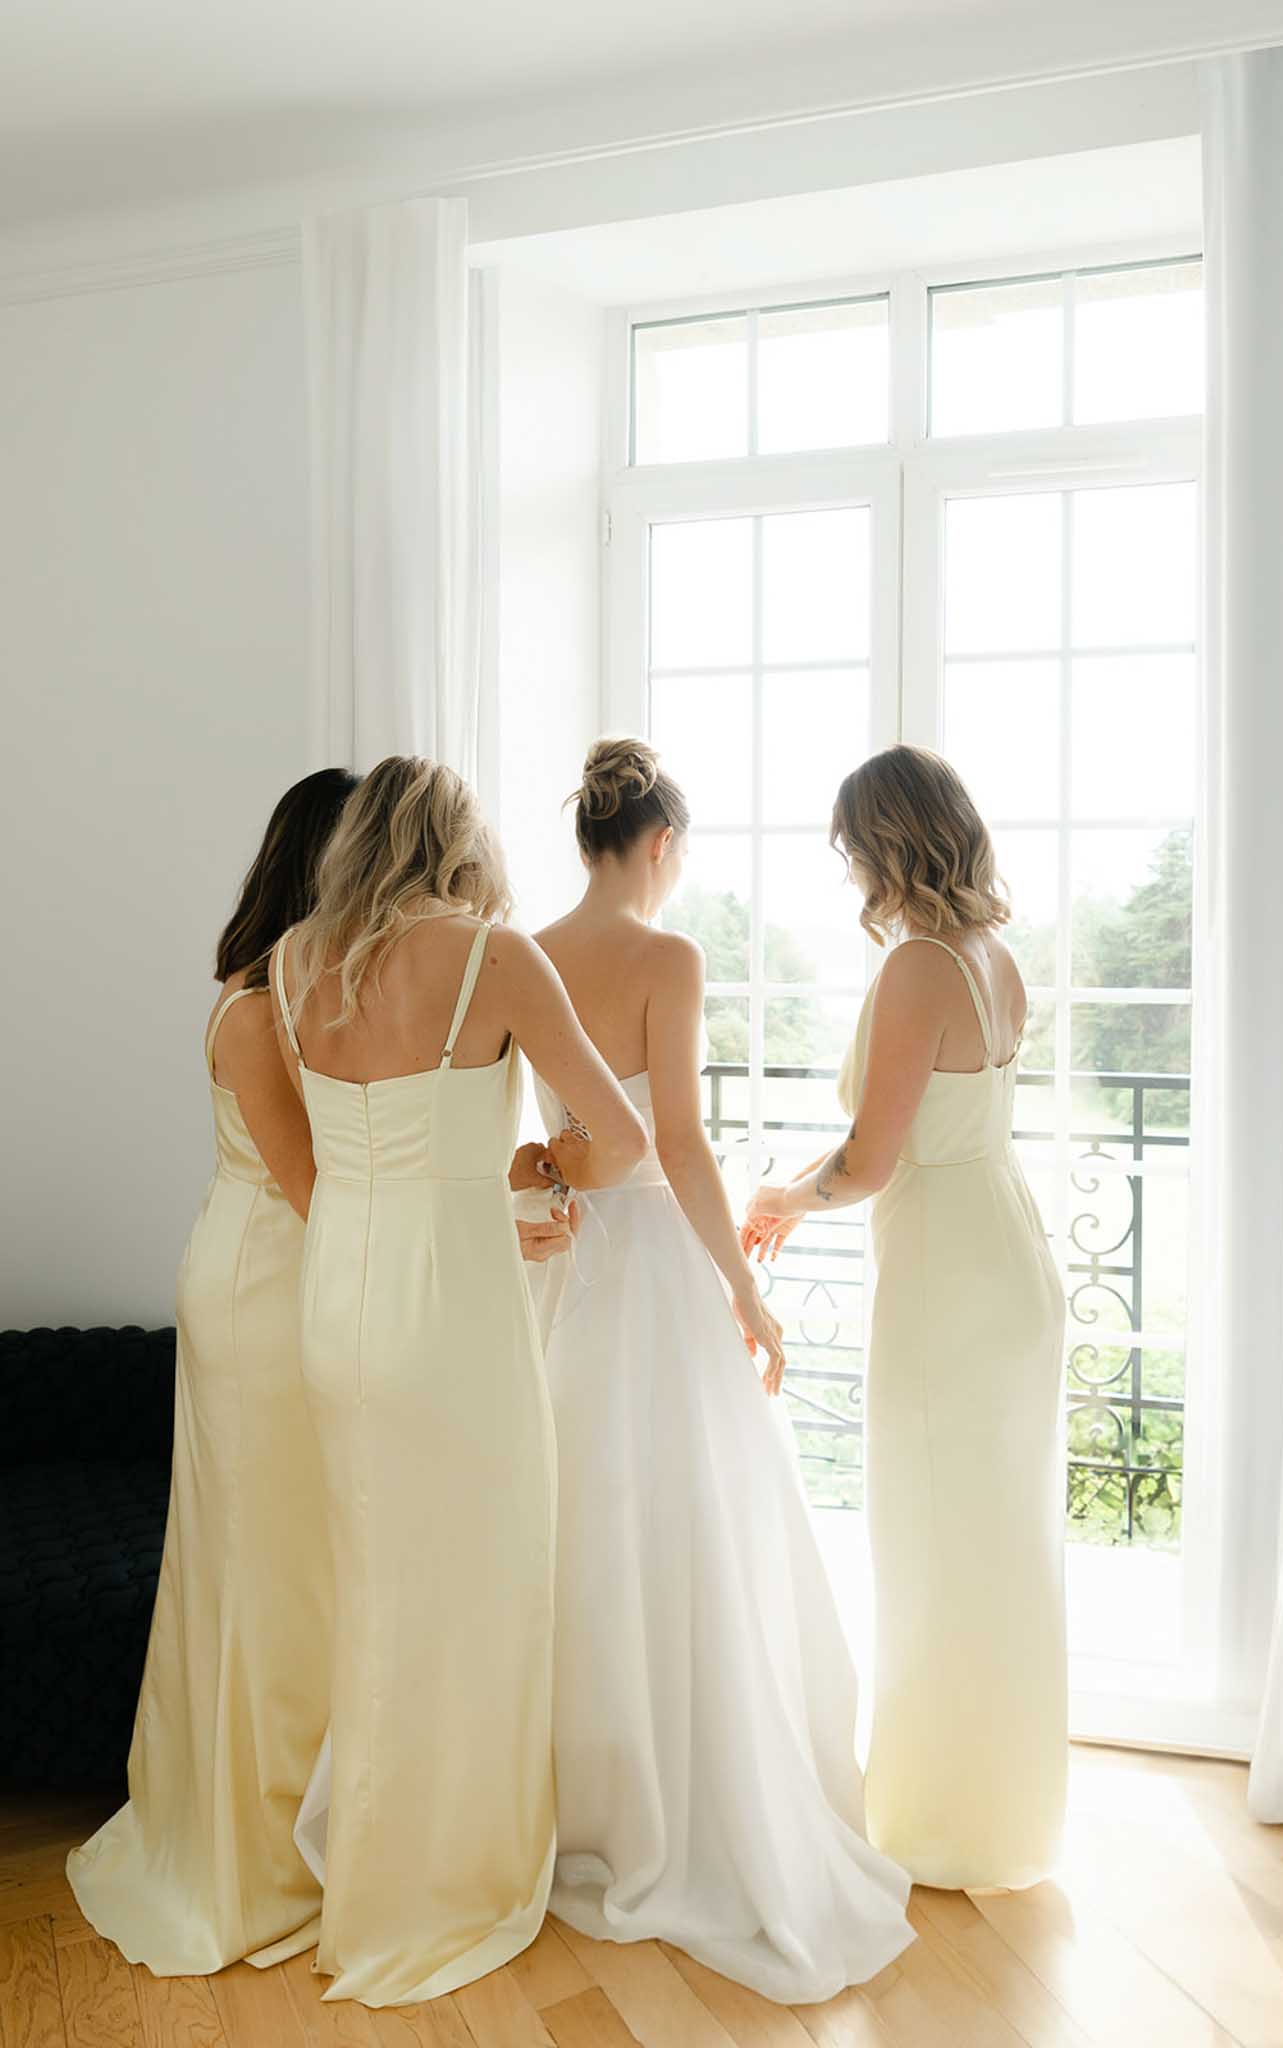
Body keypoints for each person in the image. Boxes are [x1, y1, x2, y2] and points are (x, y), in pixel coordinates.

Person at [522, 735, 914, 2003]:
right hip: (649, 1268)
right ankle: (679, 1804)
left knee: (576, 1524)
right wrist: (746, 1287)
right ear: (660, 846)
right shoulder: (666, 956)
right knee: (687, 1529)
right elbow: (676, 1141)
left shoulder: (525, 951)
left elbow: (555, 1141)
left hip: (563, 1265)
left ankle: (572, 1805)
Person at [265, 755, 647, 2008]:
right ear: (460, 839)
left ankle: (373, 1870)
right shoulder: (491, 954)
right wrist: (538, 1168)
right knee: (484, 1582)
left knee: (379, 1583)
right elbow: (621, 1139)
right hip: (454, 1312)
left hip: (337, 1301)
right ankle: (453, 1876)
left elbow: (363, 1155)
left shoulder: (293, 965)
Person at [744, 744, 1067, 1890]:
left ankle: (937, 1820)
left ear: (887, 844)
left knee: (934, 1544)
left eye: (851, 851)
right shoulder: (995, 956)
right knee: (999, 1545)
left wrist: (784, 1195)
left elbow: (873, 1159)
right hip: (1009, 1255)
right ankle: (1000, 1807)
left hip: (949, 1280)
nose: (848, 875)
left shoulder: (917, 967)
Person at [68, 768, 358, 1972]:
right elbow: (310, 1185)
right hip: (260, 1282)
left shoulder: (323, 989)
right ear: (324, 861)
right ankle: (250, 1845)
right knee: (263, 1562)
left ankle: (320, 1815)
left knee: (302, 1555)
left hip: (301, 1270)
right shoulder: (253, 1007)